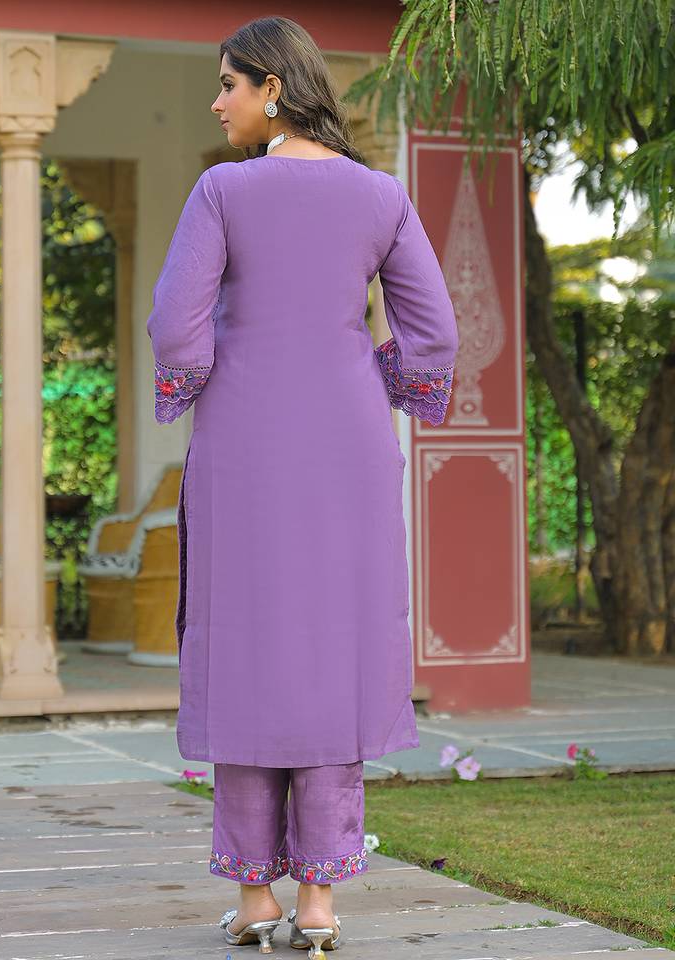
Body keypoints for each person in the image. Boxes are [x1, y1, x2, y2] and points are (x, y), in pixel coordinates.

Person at [146, 15, 459, 958]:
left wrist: (195, 383)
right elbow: (434, 332)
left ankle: (254, 900)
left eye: (229, 84)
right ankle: (318, 905)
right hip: (349, 445)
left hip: (245, 442)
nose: (218, 102)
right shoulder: (381, 196)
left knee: (247, 653)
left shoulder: (223, 190)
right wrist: (378, 380)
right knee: (332, 657)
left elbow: (175, 323)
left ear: (272, 88)